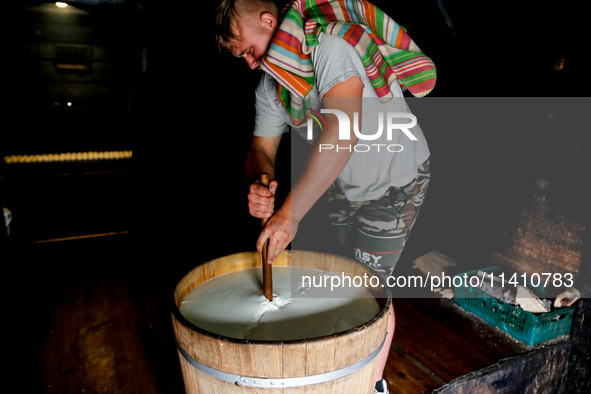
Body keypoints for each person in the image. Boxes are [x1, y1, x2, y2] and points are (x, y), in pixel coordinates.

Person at [215, 1, 434, 392]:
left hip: (395, 181)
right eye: (242, 58)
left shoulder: (329, 49)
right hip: (341, 185)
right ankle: (336, 374)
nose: (250, 64)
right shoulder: (272, 86)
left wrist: (289, 214)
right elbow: (261, 151)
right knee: (338, 278)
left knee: (369, 290)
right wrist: (260, 182)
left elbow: (343, 133)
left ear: (269, 22)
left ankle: (373, 384)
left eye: (248, 50)